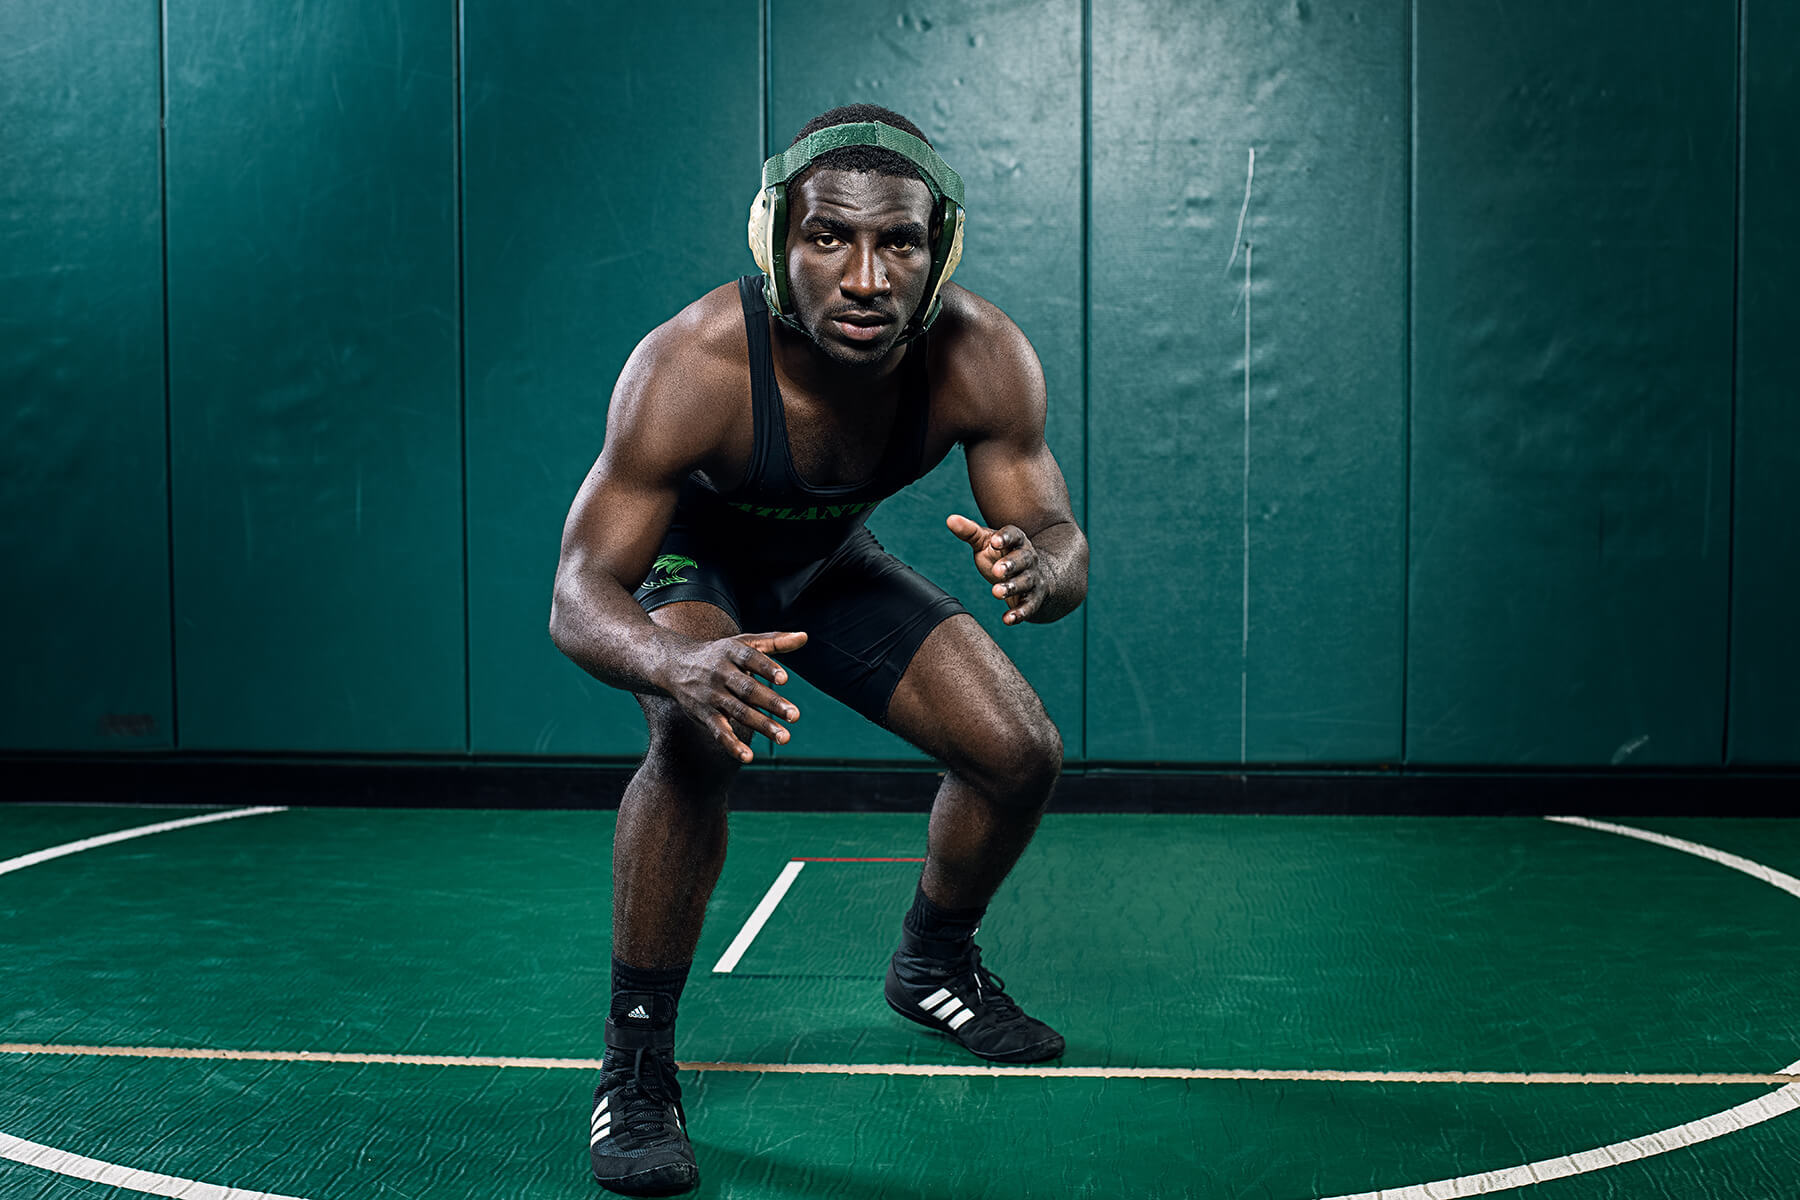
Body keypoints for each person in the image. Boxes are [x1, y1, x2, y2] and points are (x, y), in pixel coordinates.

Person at [549, 103, 1088, 1196]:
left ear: (939, 252)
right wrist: (672, 664)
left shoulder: (982, 357)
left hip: (828, 567)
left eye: (900, 243)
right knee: (696, 740)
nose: (866, 278)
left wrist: (1043, 569)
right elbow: (578, 591)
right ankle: (636, 1064)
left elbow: (1059, 535)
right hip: (692, 568)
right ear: (775, 242)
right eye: (829, 238)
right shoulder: (694, 363)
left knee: (1019, 752)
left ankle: (932, 964)